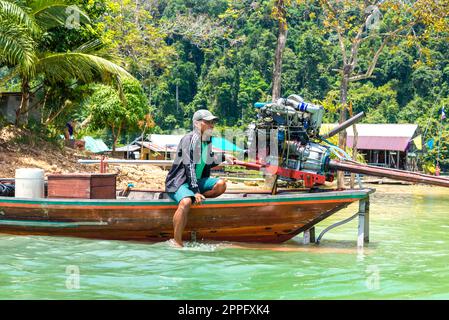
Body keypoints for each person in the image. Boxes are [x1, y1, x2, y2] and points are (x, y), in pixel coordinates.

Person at [165, 109, 236, 247]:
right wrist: (195, 190)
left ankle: (194, 198)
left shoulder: (207, 141)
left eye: (212, 122)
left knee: (221, 185)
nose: (212, 125)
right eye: (208, 122)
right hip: (180, 182)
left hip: (196, 182)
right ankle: (177, 242)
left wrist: (224, 157)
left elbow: (208, 160)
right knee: (185, 202)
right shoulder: (189, 139)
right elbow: (189, 165)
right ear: (197, 124)